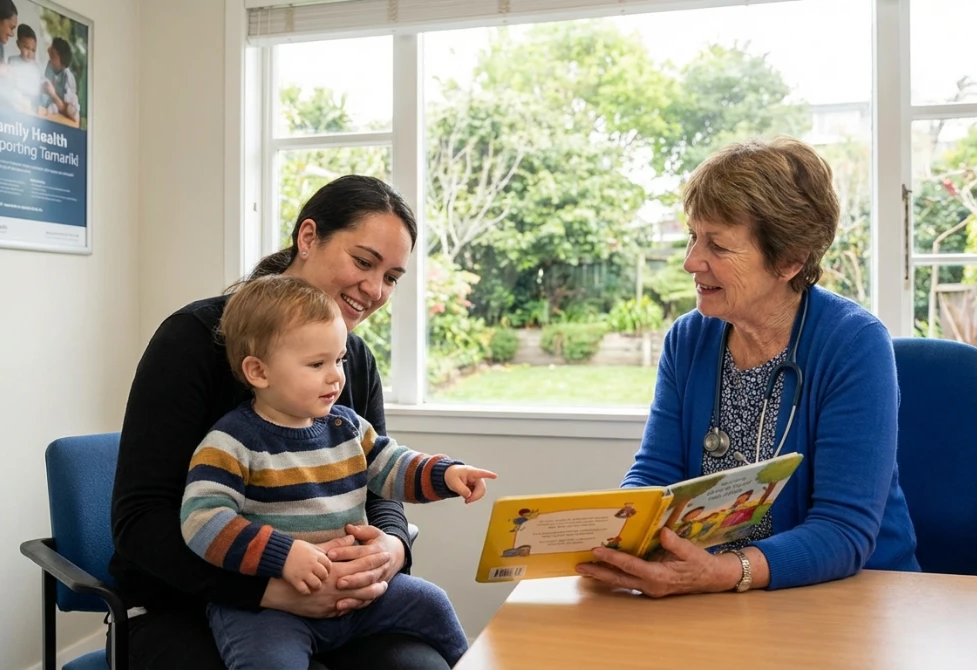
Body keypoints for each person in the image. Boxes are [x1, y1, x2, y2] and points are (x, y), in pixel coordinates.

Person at [111, 175, 454, 669]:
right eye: (363, 262)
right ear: (308, 238)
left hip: (331, 602)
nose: (375, 290)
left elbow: (380, 489)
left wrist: (391, 549)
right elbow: (140, 522)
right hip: (183, 603)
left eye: (392, 277)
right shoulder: (192, 341)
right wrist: (271, 590)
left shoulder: (353, 359)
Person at [576, 137, 919, 597]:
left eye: (717, 245)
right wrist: (624, 539)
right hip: (715, 596)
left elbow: (843, 530)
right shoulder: (689, 338)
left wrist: (723, 572)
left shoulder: (853, 344)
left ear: (789, 261)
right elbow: (655, 474)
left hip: (853, 597)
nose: (690, 261)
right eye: (693, 236)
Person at [182, 275, 496, 669]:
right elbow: (201, 520)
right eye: (317, 364)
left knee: (431, 601)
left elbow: (393, 465)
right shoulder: (231, 442)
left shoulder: (346, 426)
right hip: (269, 610)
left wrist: (445, 475)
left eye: (339, 359)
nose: (336, 376)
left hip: (358, 597)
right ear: (258, 372)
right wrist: (284, 555)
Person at [0, 24, 42, 112]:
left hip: (29, 104)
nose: (30, 53)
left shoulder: (36, 68)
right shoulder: (12, 61)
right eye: (26, 48)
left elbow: (37, 91)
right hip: (14, 101)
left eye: (33, 50)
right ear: (18, 44)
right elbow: (8, 83)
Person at [41, 37, 80, 123]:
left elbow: (68, 110)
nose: (49, 54)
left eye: (53, 55)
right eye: (50, 50)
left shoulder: (68, 77)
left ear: (62, 63)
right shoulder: (49, 66)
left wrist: (53, 94)